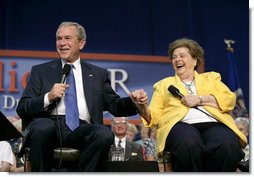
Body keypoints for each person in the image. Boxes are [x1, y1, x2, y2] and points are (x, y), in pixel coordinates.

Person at [16, 21, 146, 172]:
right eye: (59, 39)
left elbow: (115, 105)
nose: (62, 43)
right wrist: (48, 97)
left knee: (103, 134)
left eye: (67, 38)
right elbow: (23, 108)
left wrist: (133, 102)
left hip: (80, 128)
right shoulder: (41, 71)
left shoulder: (97, 74)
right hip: (48, 124)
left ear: (81, 43)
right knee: (43, 127)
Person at [130, 38, 247, 172]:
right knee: (188, 143)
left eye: (182, 56)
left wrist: (200, 99)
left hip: (214, 123)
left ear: (195, 60)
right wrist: (141, 106)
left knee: (226, 144)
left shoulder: (211, 78)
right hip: (180, 125)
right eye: (174, 57)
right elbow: (154, 117)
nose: (177, 59)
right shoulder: (163, 85)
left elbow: (229, 99)